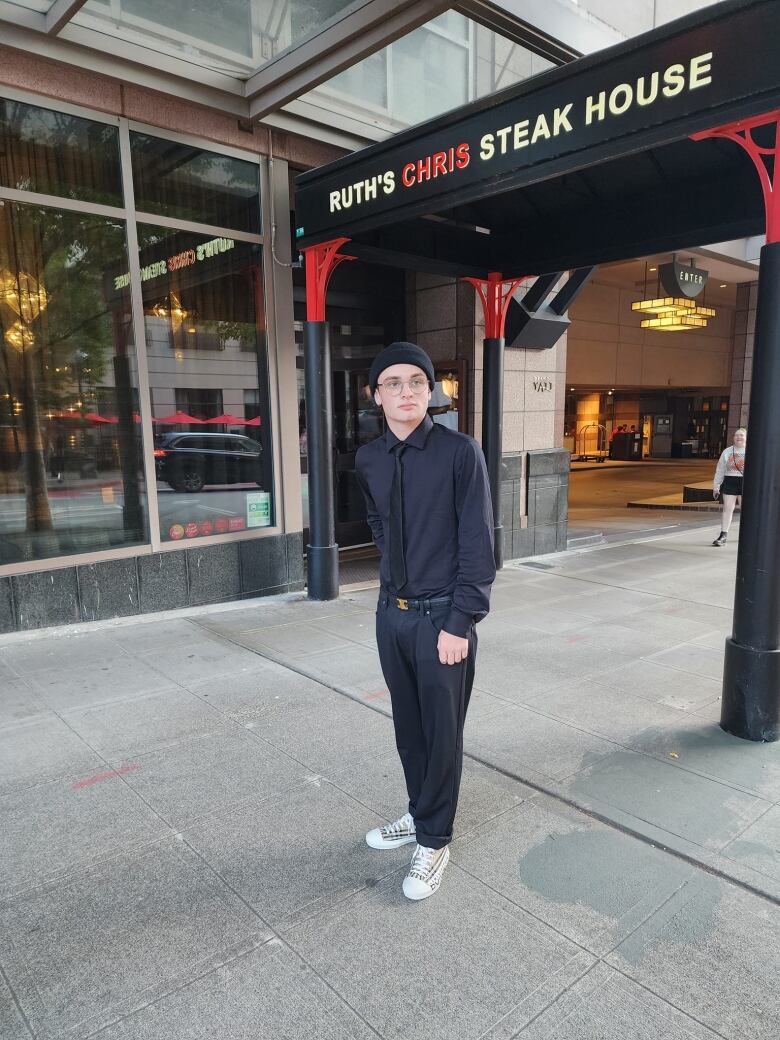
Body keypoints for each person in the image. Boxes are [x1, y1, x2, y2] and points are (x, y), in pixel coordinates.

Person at [355, 341, 496, 901]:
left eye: (417, 381)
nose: (406, 391)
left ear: (431, 391)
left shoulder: (462, 453)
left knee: (441, 734)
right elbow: (377, 520)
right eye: (393, 382)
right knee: (408, 730)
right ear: (376, 395)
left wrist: (460, 622)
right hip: (393, 617)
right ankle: (418, 815)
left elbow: (479, 546)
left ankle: (434, 840)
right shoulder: (369, 458)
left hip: (444, 620)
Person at [712, 427, 746, 546]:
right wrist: (716, 486)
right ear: (733, 438)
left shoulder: (751, 451)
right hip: (730, 481)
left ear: (746, 438)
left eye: (741, 435)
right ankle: (723, 535)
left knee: (745, 511)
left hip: (745, 483)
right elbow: (720, 469)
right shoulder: (727, 451)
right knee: (727, 509)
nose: (739, 437)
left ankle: (746, 535)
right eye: (736, 435)